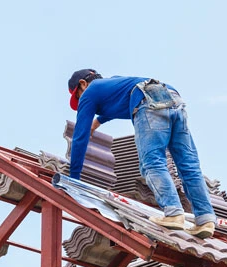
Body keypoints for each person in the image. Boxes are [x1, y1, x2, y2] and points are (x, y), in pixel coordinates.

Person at [67, 68, 216, 238]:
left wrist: (74, 179)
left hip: (148, 104)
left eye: (78, 97)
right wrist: (98, 121)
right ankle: (205, 220)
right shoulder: (114, 81)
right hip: (173, 97)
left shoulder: (89, 92)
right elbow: (124, 97)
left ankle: (174, 213)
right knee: (188, 165)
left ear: (83, 84)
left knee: (152, 162)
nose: (81, 102)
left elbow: (80, 136)